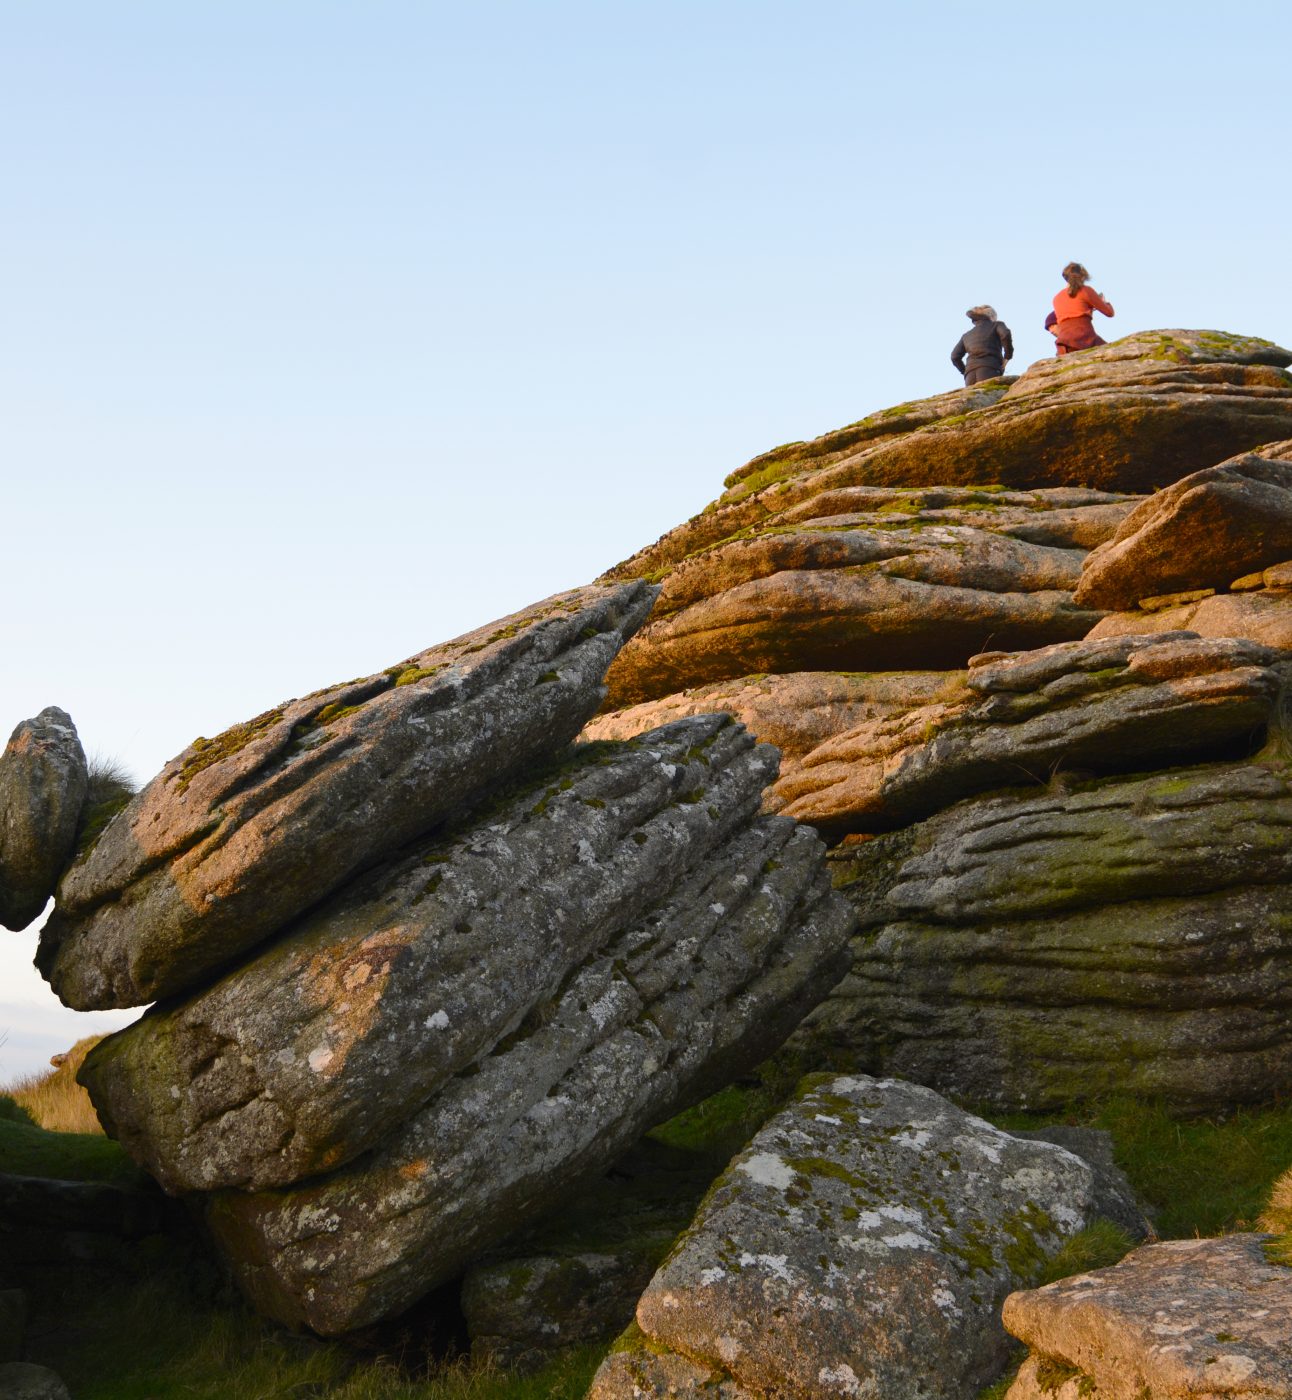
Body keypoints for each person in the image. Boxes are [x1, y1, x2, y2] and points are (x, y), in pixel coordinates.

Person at [1051, 262, 1114, 355]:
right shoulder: (1086, 290)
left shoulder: (1056, 298)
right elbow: (1109, 313)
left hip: (1064, 342)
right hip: (1085, 338)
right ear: (1083, 276)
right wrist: (1104, 302)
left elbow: (1073, 314)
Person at [951, 305, 1014, 385]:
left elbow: (954, 357)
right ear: (992, 316)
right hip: (989, 369)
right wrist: (1007, 356)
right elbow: (1005, 334)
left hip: (970, 376)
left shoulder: (966, 335)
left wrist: (965, 371)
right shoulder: (996, 325)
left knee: (974, 397)